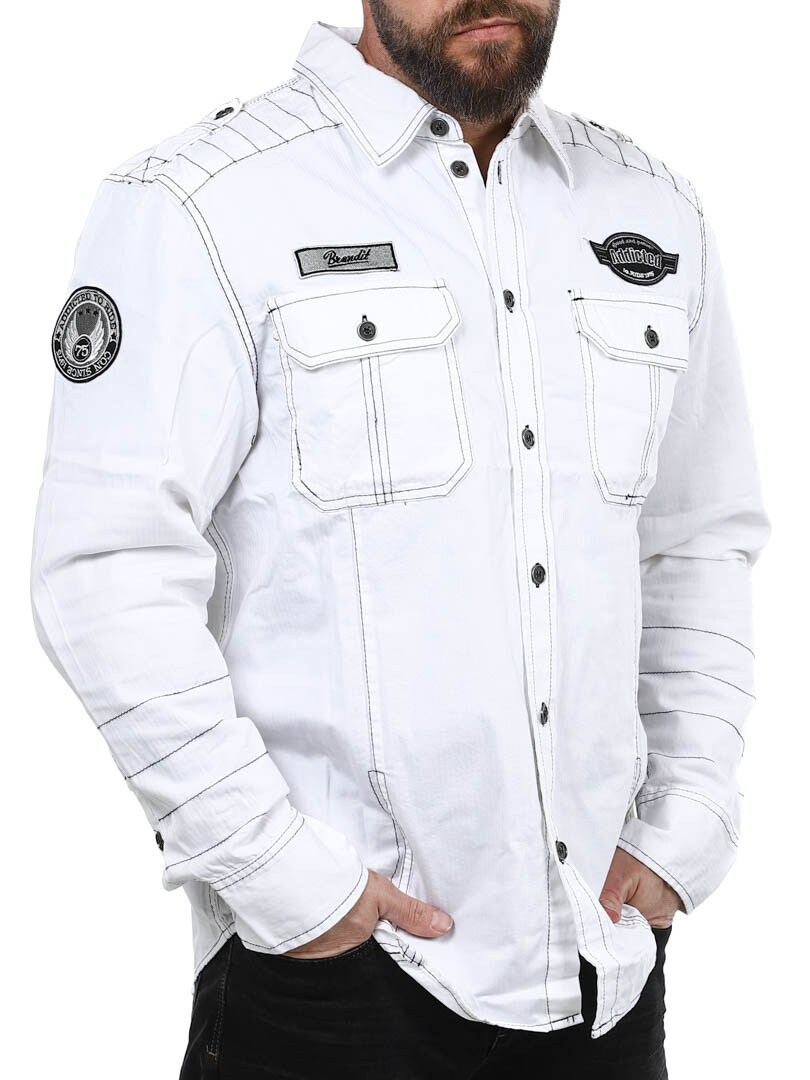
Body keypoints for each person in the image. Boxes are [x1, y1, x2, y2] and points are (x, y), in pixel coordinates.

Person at [30, 2, 770, 1077]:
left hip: (605, 970)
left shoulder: (652, 207)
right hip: (330, 984)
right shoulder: (198, 201)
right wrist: (278, 874)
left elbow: (696, 542)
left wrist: (687, 820)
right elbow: (106, 568)